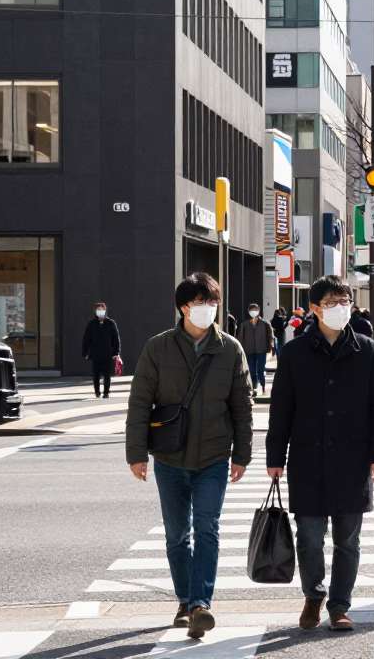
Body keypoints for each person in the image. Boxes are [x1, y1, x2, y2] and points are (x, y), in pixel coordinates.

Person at [124, 273, 252, 639]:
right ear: (183, 307)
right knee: (177, 534)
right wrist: (137, 454)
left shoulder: (230, 348)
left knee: (207, 529)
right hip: (169, 457)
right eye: (201, 303)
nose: (208, 309)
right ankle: (184, 600)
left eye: (213, 303)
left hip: (213, 456)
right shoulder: (158, 347)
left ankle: (200, 604)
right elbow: (139, 404)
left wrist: (242, 453)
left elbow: (242, 405)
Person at [267, 275, 374, 633]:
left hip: (353, 460)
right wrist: (274, 456)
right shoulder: (294, 352)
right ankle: (313, 595)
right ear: (314, 309)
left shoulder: (368, 350)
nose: (341, 309)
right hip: (307, 458)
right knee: (308, 537)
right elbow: (281, 408)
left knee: (348, 540)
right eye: (332, 302)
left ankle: (340, 605)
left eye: (345, 301)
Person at [82, 302, 121, 398]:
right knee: (96, 373)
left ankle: (106, 392)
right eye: (98, 309)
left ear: (105, 310)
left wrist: (116, 351)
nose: (100, 311)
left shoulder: (110, 323)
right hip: (95, 353)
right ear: (95, 311)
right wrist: (85, 352)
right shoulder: (91, 324)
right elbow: (86, 339)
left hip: (108, 353)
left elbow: (116, 338)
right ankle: (97, 391)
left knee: (107, 373)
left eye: (102, 309)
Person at [235, 303, 274, 396]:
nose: (253, 311)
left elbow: (270, 336)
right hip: (249, 350)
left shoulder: (265, 324)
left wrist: (271, 347)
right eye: (251, 309)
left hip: (261, 350)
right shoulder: (244, 324)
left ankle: (263, 386)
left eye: (255, 309)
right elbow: (240, 337)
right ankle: (254, 387)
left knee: (260, 369)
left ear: (259, 310)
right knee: (251, 370)